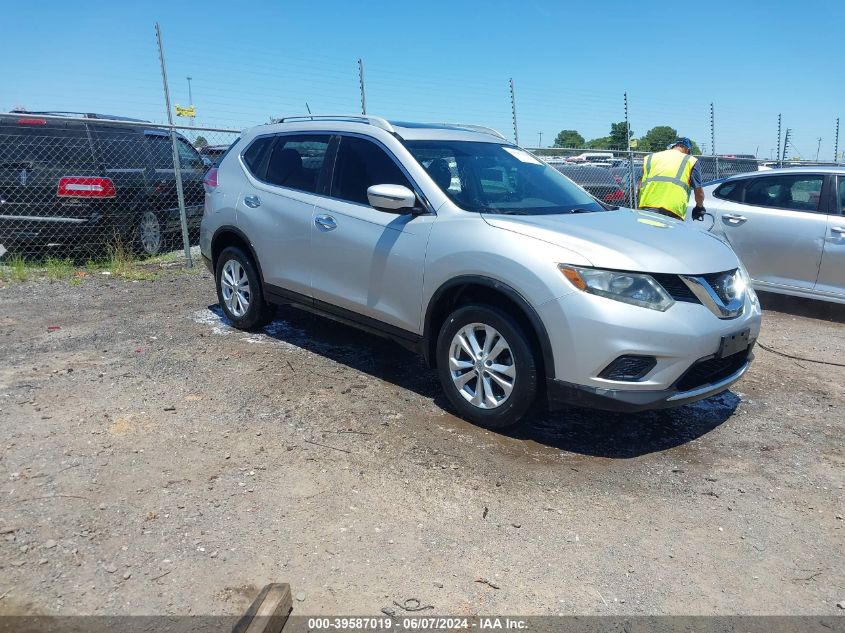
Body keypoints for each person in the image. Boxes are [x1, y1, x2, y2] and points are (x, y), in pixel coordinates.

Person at [638, 137, 705, 221]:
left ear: (674, 146)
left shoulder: (650, 158)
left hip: (647, 206)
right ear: (687, 149)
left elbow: (640, 185)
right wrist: (699, 207)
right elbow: (699, 192)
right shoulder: (690, 160)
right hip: (673, 210)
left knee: (647, 233)